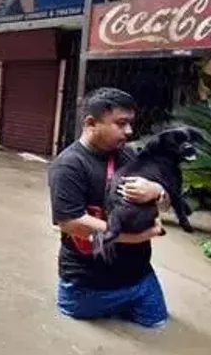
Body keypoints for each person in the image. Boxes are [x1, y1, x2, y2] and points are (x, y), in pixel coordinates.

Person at [49, 87, 170, 328]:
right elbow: (73, 224)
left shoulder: (131, 156)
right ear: (91, 123)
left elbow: (167, 204)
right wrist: (136, 237)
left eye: (130, 123)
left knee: (159, 327)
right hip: (87, 287)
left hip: (140, 279)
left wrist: (157, 191)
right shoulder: (69, 165)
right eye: (121, 123)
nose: (129, 131)